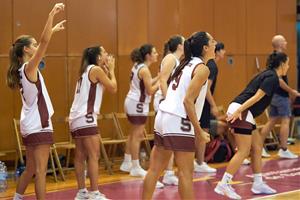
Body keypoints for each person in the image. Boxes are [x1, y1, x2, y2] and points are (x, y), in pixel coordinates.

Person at [143, 31, 215, 200]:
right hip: (179, 118)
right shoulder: (202, 68)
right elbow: (188, 101)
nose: (215, 43)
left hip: (164, 114)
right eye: (212, 41)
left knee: (154, 169)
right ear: (205, 48)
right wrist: (198, 130)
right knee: (186, 172)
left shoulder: (186, 63)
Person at [6, 3, 66, 200]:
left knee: (31, 168)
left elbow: (43, 43)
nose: (37, 48)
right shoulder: (28, 68)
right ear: (26, 49)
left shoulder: (23, 69)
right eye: (33, 45)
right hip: (39, 125)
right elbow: (44, 41)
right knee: (41, 171)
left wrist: (53, 29)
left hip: (30, 124)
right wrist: (51, 14)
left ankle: (16, 198)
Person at [215, 52, 290, 199]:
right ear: (281, 64)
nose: (288, 66)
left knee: (257, 147)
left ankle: (258, 183)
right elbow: (256, 97)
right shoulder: (272, 77)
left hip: (243, 111)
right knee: (243, 151)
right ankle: (224, 184)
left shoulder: (267, 74)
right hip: (242, 110)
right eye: (287, 63)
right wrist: (238, 111)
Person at [69, 46, 117, 200]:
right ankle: (95, 193)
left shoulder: (85, 71)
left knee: (80, 155)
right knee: (93, 155)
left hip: (76, 118)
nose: (106, 54)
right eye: (103, 52)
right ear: (97, 57)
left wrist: (107, 70)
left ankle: (82, 192)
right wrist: (112, 69)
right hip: (86, 117)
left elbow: (101, 87)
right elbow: (113, 88)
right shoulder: (96, 70)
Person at [120, 44, 160, 179]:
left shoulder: (138, 66)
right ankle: (136, 167)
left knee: (132, 134)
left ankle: (127, 162)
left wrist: (158, 78)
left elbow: (144, 84)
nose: (157, 54)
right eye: (154, 52)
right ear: (148, 55)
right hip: (138, 104)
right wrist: (161, 82)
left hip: (131, 101)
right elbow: (150, 90)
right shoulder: (144, 70)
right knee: (137, 136)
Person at [153, 35, 185, 186]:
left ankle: (168, 173)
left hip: (169, 102)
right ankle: (155, 175)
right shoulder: (171, 58)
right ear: (180, 45)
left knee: (169, 140)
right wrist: (169, 100)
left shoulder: (177, 59)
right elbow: (162, 80)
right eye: (184, 42)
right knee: (162, 142)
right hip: (164, 101)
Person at [260, 35, 299, 159]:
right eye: (284, 41)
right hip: (280, 95)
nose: (286, 42)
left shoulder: (271, 57)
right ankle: (283, 148)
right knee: (286, 120)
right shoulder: (281, 58)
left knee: (271, 121)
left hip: (272, 94)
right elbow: (279, 79)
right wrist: (291, 91)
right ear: (280, 44)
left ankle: (259, 147)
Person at [195, 42, 226, 173]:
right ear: (217, 51)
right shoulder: (212, 65)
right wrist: (213, 105)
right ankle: (200, 162)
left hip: (201, 103)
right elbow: (206, 87)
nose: (224, 53)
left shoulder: (208, 64)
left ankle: (198, 161)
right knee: (203, 131)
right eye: (223, 50)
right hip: (203, 104)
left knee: (200, 132)